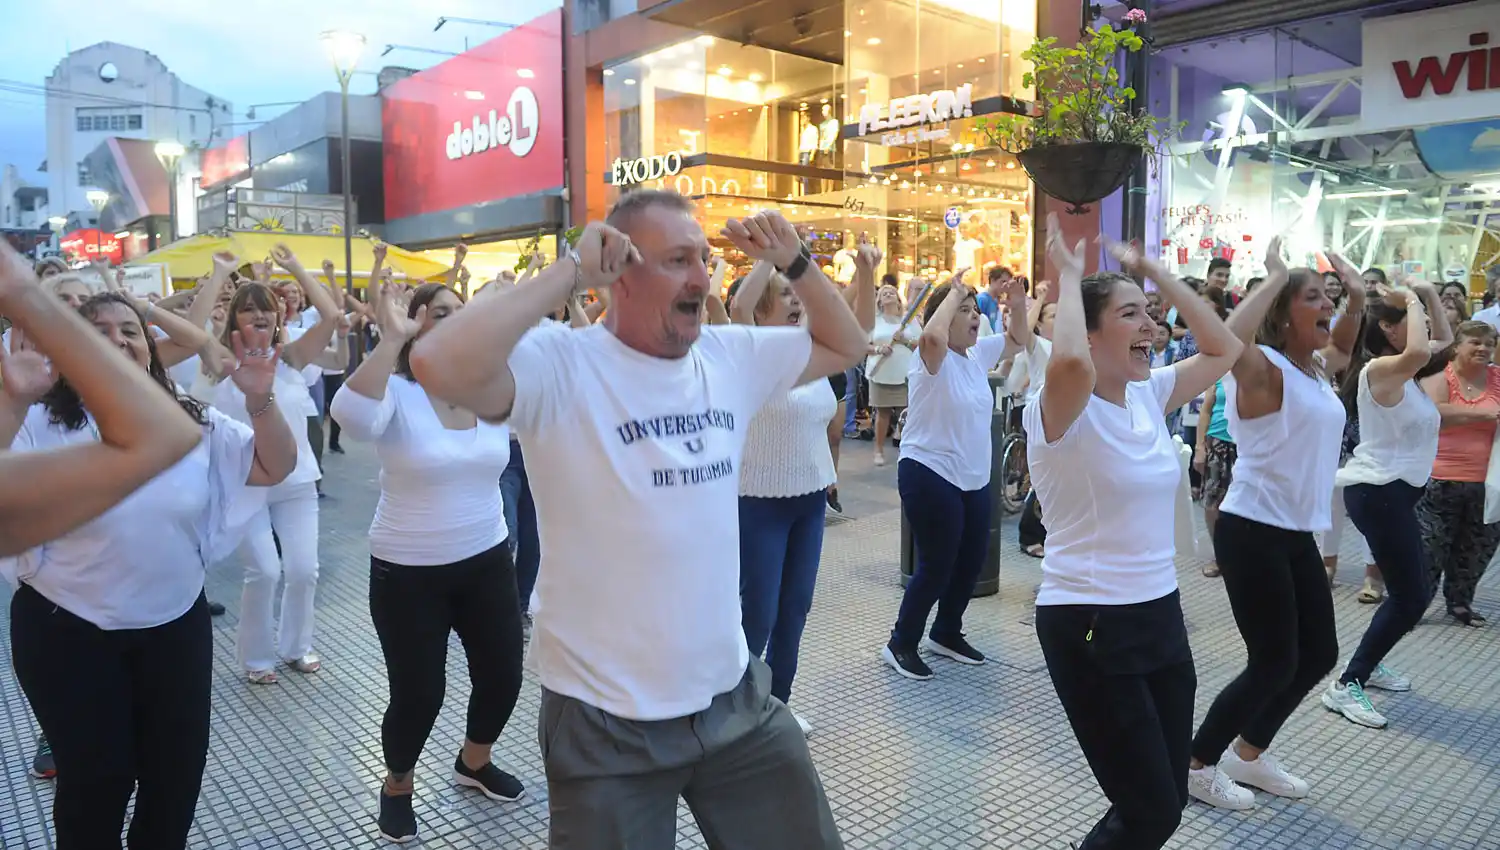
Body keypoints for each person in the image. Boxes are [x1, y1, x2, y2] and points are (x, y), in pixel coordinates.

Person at [410, 196, 862, 849]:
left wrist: (794, 261)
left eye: (703, 260)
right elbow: (436, 363)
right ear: (618, 270)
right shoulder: (560, 364)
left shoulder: (729, 357)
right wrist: (567, 271)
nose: (702, 278)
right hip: (604, 725)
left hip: (731, 699)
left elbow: (846, 342)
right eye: (678, 261)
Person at [3, 289, 296, 850]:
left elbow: (272, 465)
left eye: (130, 330)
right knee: (98, 782)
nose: (116, 339)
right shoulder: (40, 421)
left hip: (174, 629)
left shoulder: (193, 422)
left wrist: (261, 400)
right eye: (97, 330)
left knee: (174, 780)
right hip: (67, 632)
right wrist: (12, 399)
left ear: (150, 349)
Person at [1026, 222, 1242, 850]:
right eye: (1130, 316)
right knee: (1150, 809)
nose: (1151, 327)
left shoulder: (1150, 393)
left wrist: (1155, 271)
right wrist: (1068, 277)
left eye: (1150, 315)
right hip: (1090, 621)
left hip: (1160, 614)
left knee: (1167, 795)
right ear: (1090, 334)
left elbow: (1224, 347)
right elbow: (1067, 360)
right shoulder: (1060, 404)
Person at [330, 281, 526, 843]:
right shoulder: (396, 390)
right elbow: (350, 416)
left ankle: (474, 761)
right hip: (407, 570)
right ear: (415, 323)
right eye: (439, 314)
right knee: (420, 694)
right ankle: (397, 785)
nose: (454, 322)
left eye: (461, 314)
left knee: (504, 675)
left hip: (486, 557)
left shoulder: (489, 387)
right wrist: (390, 340)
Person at [1187, 246, 1363, 810]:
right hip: (1252, 527)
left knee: (1319, 654)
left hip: (1293, 531)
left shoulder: (1313, 369)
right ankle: (1196, 762)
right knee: (1274, 659)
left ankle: (1250, 753)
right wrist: (1277, 277)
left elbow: (1342, 343)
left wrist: (1355, 294)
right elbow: (1224, 340)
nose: (1326, 304)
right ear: (1284, 313)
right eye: (1312, 297)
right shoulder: (1262, 363)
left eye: (1327, 296)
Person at [731, 243, 874, 734]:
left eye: (799, 294)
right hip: (758, 502)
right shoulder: (747, 356)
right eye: (785, 295)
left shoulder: (812, 351)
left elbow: (858, 323)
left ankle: (779, 701)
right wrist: (771, 257)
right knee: (760, 611)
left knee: (796, 607)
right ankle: (741, 707)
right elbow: (737, 307)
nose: (797, 301)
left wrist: (865, 272)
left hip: (810, 501)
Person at [208, 245, 343, 684]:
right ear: (234, 320)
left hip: (297, 482)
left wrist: (296, 267)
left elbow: (330, 315)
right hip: (247, 484)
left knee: (304, 570)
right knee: (264, 570)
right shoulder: (222, 361)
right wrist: (222, 274)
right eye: (247, 310)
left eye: (266, 308)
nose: (258, 315)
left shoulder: (292, 358)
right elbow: (191, 332)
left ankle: (296, 647)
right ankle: (257, 658)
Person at [880, 267, 1019, 681]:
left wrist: (1020, 302)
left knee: (970, 559)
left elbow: (1018, 340)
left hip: (972, 477)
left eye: (976, 308)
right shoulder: (929, 360)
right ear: (942, 316)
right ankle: (901, 642)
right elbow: (933, 337)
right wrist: (949, 294)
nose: (975, 316)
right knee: (937, 564)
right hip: (929, 471)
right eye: (964, 309)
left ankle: (945, 632)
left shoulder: (976, 355)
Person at [1325, 283, 1450, 729]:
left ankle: (1368, 664)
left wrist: (1427, 295)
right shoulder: (1379, 369)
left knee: (1407, 592)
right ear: (1386, 328)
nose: (1423, 327)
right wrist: (1414, 302)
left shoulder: (1405, 375)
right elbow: (1419, 351)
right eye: (1410, 320)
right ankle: (1346, 683)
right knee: (1411, 595)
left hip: (1392, 493)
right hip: (1377, 492)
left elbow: (1443, 344)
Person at [1418, 320, 1500, 627]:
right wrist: (1485, 414)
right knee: (1429, 548)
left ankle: (1460, 602)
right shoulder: (1441, 376)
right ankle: (1413, 605)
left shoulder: (1497, 377)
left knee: (1478, 547)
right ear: (1457, 346)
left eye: (1489, 343)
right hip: (1441, 478)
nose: (1483, 348)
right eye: (1475, 342)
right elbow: (1434, 415)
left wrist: (1464, 415)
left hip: (1488, 482)